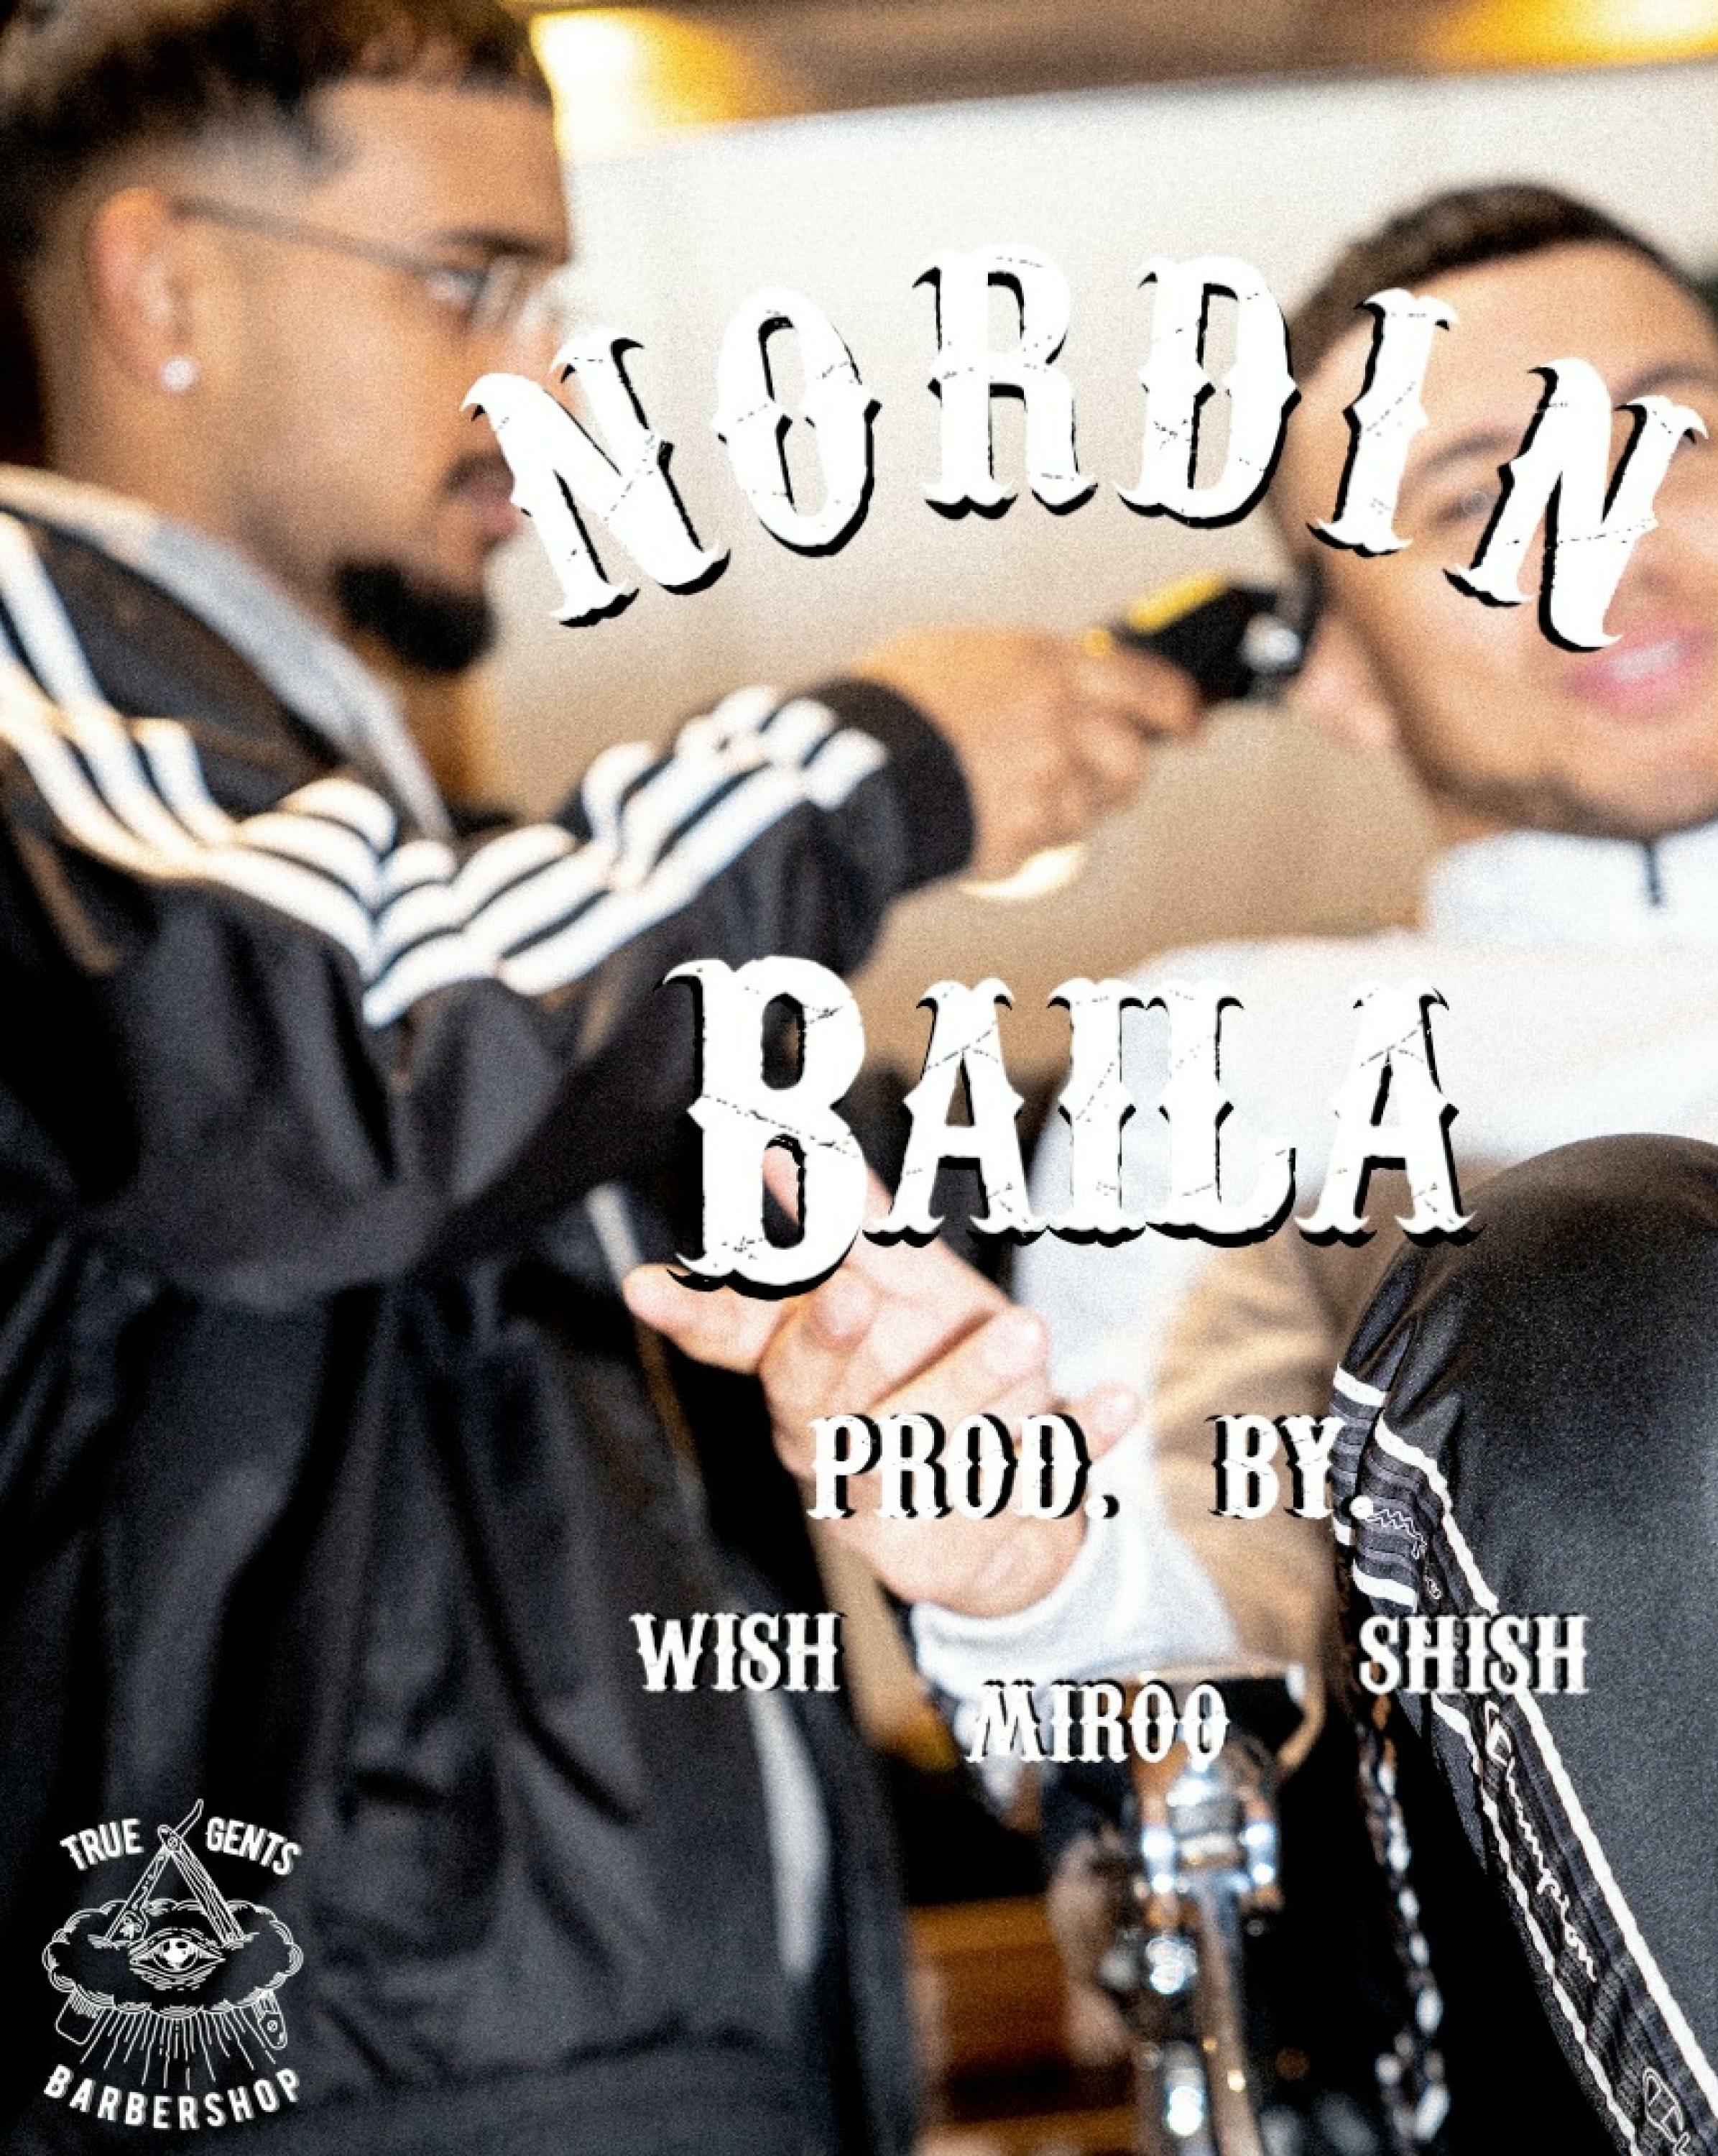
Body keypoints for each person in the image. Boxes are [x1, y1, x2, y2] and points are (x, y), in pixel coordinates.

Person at [634, 187, 1718, 2150]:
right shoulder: (1233, 1044)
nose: (1602, 534)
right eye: (1470, 495)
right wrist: (1027, 1567)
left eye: (1669, 431)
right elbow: (1201, 1619)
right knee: (1594, 1271)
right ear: (1337, 667)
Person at [0, 4, 1201, 2150]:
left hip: (619, 2063)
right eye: (471, 286)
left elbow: (657, 1121)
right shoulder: (25, 647)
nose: (543, 396)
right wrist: (875, 759)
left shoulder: (380, 863)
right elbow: (343, 1078)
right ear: (163, 285)